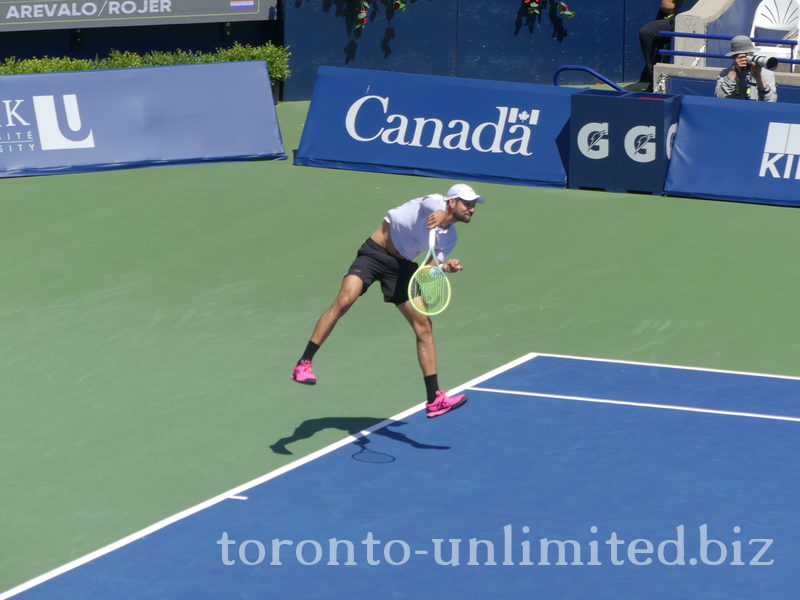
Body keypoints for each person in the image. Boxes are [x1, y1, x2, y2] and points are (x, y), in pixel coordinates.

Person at [291, 183, 484, 419]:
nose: (472, 209)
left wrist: (445, 267)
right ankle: (304, 364)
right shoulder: (433, 202)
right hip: (374, 254)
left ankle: (434, 399)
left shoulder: (450, 237)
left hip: (402, 268)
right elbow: (428, 203)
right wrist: (439, 212)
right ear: (452, 201)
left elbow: (427, 269)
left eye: (474, 205)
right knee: (344, 301)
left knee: (423, 325)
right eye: (467, 203)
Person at [639, 0, 687, 92]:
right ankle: (654, 77)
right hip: (675, 19)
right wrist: (680, 8)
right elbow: (665, 4)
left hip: (699, 19)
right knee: (647, 32)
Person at [715, 35, 778, 102]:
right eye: (740, 56)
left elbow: (771, 101)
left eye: (747, 54)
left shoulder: (765, 73)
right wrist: (734, 70)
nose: (744, 59)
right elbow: (720, 98)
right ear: (734, 57)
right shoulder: (725, 74)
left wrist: (758, 78)